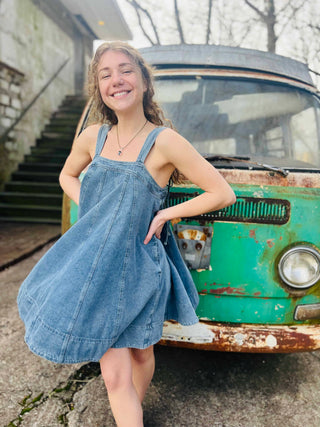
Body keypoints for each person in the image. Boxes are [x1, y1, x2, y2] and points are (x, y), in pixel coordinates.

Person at [17, 41, 236, 426]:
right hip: (94, 268)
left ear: (144, 81)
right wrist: (92, 206)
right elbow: (66, 175)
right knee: (115, 376)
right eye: (105, 75)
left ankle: (135, 405)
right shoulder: (92, 136)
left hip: (140, 269)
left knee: (140, 355)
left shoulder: (165, 141)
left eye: (125, 70)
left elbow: (222, 193)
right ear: (99, 88)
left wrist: (166, 212)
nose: (116, 80)